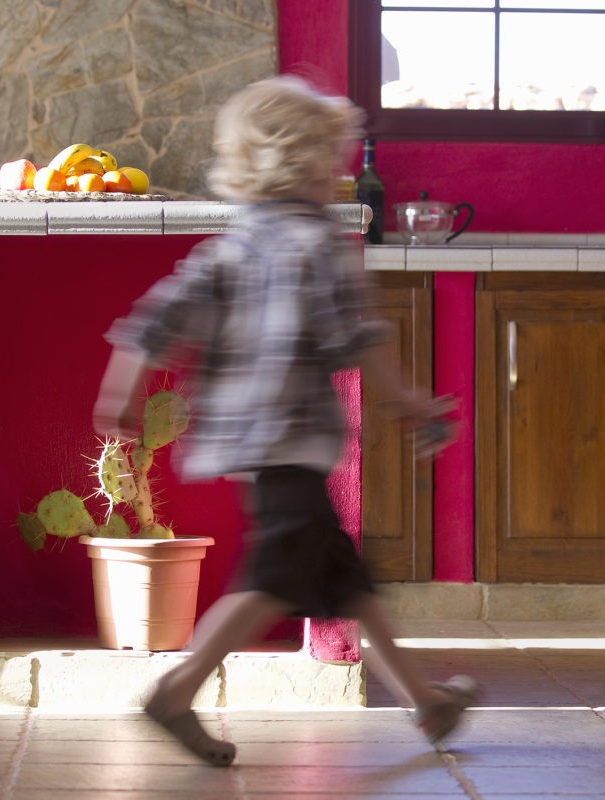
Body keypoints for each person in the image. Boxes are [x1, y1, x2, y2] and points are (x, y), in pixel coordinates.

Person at [92, 75, 478, 767]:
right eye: (332, 155)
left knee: (346, 578)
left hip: (247, 441)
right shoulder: (319, 245)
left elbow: (159, 316)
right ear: (308, 163)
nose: (338, 168)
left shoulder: (232, 247)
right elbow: (355, 339)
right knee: (270, 578)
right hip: (292, 439)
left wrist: (121, 390)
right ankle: (177, 691)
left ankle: (427, 700)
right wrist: (411, 403)